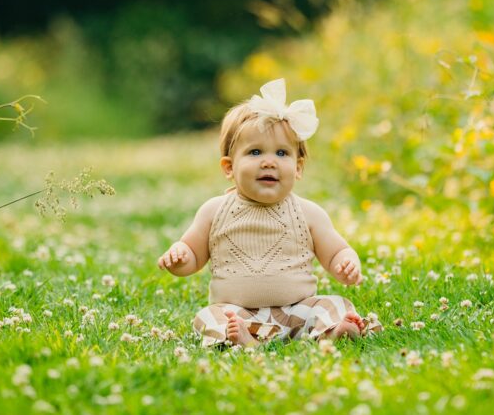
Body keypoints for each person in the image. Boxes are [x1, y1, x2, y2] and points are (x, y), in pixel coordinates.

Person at [157, 78, 382, 347]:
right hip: (239, 314)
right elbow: (193, 255)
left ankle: (333, 331)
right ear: (229, 167)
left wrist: (346, 263)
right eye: (254, 152)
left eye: (282, 153)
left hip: (298, 311)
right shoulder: (214, 211)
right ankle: (244, 338)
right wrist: (180, 257)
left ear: (298, 168)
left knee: (336, 304)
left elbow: (335, 251)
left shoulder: (309, 213)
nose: (269, 162)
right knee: (208, 316)